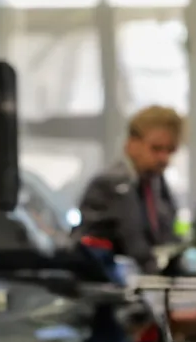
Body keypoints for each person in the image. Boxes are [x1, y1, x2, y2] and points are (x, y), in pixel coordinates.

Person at [74, 105, 184, 273]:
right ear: (131, 144)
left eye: (169, 150)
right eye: (156, 148)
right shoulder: (112, 184)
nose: (164, 158)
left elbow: (168, 235)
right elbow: (135, 245)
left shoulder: (155, 183)